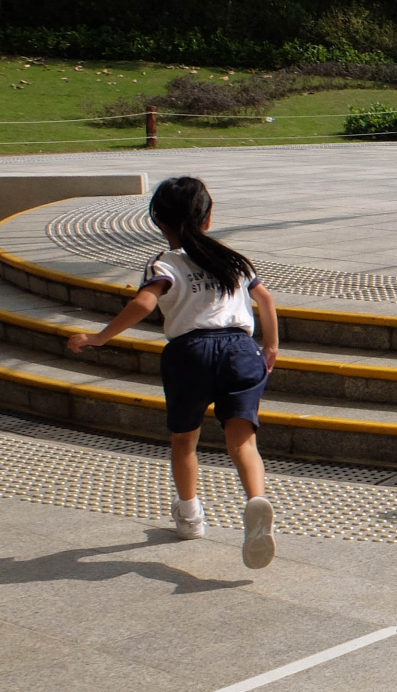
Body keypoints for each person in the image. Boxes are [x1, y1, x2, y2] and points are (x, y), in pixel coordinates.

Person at [65, 176, 277, 567]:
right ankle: (255, 502)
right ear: (207, 218)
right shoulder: (236, 261)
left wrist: (99, 337)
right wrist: (271, 348)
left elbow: (144, 304)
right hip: (241, 351)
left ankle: (190, 516)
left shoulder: (164, 264)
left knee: (184, 439)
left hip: (189, 354)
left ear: (158, 221)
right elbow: (265, 300)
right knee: (243, 442)